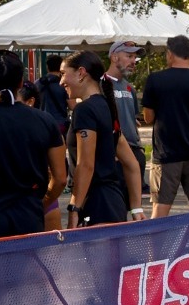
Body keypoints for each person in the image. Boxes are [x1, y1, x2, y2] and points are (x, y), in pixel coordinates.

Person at [60, 51, 142, 227]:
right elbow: (131, 163)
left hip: (97, 204)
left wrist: (74, 208)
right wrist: (136, 208)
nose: (61, 81)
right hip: (113, 203)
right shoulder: (106, 106)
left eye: (63, 74)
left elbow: (86, 164)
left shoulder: (85, 110)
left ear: (81, 73)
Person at [141, 34, 189, 217]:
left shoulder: (156, 80)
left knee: (160, 208)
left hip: (167, 154)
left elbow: (148, 118)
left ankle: (156, 238)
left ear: (170, 54)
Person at [0, 52, 66, 238]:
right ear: (21, 82)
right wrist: (42, 203)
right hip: (28, 216)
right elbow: (60, 178)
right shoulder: (44, 120)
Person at [105, 40, 149, 211]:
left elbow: (133, 119)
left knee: (136, 210)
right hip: (114, 155)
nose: (133, 61)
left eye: (134, 57)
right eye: (129, 56)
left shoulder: (129, 88)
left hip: (134, 153)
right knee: (116, 211)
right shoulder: (101, 84)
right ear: (114, 57)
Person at [35, 56, 69, 134]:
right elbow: (72, 105)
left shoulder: (38, 83)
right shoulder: (63, 85)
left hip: (41, 123)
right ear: (60, 67)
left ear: (47, 67)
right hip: (59, 124)